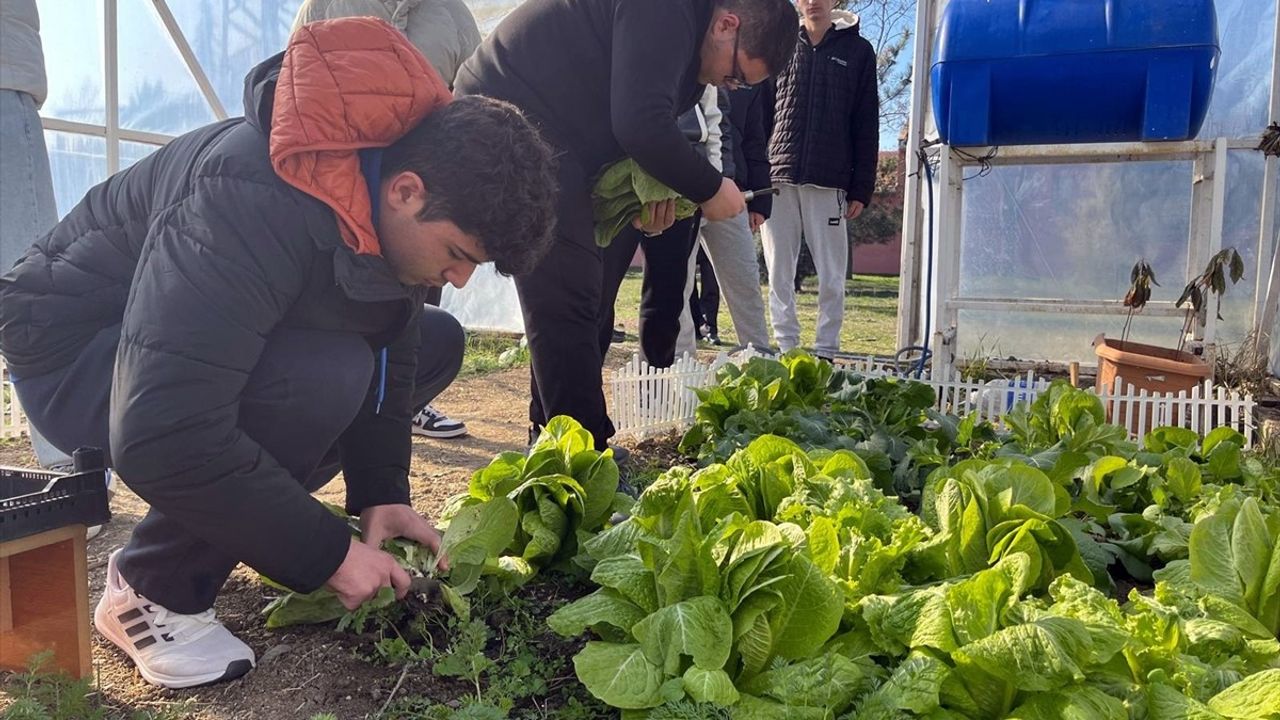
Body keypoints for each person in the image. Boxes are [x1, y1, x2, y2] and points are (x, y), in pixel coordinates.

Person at [0, 18, 556, 689]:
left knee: (434, 342)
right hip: (75, 349)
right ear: (406, 191)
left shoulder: (378, 195)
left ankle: (213, 521)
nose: (459, 279)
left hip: (171, 353)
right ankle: (149, 591)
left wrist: (382, 493)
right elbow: (160, 429)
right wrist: (330, 557)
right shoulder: (247, 194)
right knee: (321, 381)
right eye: (460, 256)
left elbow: (394, 342)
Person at [454, 0, 799, 452]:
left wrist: (645, 198)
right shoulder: (666, 10)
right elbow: (640, 123)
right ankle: (582, 450)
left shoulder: (693, 54)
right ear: (726, 24)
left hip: (567, 138)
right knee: (567, 289)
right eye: (735, 74)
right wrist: (710, 188)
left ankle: (555, 436)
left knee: (589, 291)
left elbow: (631, 132)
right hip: (508, 114)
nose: (727, 85)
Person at [293, 0, 484, 439]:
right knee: (338, 311)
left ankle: (405, 405)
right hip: (340, 186)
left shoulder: (453, 15)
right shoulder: (326, 4)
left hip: (420, 195)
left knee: (417, 304)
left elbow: (476, 97)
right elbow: (294, 76)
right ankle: (333, 404)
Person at [761, 0, 878, 360]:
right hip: (778, 177)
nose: (814, 2)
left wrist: (861, 187)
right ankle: (787, 349)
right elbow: (761, 113)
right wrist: (755, 175)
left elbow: (866, 122)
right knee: (779, 271)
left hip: (830, 181)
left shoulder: (858, 51)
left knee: (831, 275)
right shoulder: (778, 44)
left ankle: (826, 349)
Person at [599, 86, 723, 369]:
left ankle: (655, 385)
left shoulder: (698, 51)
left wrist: (711, 184)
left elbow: (711, 118)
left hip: (680, 175)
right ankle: (582, 390)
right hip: (617, 173)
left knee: (667, 295)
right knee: (600, 292)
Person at [678, 85, 774, 354]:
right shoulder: (682, 61)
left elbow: (756, 140)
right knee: (678, 285)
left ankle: (760, 359)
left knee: (744, 279)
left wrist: (761, 203)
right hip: (681, 187)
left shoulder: (753, 79)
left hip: (732, 191)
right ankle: (680, 368)